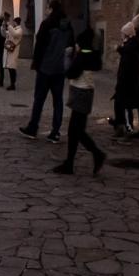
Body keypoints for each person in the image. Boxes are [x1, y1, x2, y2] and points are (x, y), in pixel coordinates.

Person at [56, 26, 107, 176]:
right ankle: (70, 163)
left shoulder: (82, 56)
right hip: (86, 93)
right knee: (75, 131)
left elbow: (70, 73)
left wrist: (68, 57)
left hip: (80, 94)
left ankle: (96, 154)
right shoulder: (91, 54)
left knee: (76, 131)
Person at [20, 1, 73, 143]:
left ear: (51, 9)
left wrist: (36, 64)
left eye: (47, 7)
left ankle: (33, 128)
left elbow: (39, 46)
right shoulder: (67, 25)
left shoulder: (47, 24)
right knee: (58, 101)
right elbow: (71, 45)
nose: (46, 10)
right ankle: (55, 132)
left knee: (39, 99)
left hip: (45, 67)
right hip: (59, 68)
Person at [112, 16, 139, 141]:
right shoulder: (138, 43)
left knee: (128, 105)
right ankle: (131, 129)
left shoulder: (135, 44)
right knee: (136, 105)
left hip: (131, 82)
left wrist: (121, 49)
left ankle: (128, 130)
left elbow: (129, 64)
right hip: (136, 80)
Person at [2, 16, 24, 90]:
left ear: (16, 22)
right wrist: (3, 27)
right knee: (10, 68)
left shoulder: (20, 30)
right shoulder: (13, 29)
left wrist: (9, 25)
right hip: (10, 50)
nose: (13, 23)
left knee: (12, 68)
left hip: (14, 51)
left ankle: (13, 84)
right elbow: (4, 34)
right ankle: (12, 84)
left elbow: (15, 34)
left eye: (14, 22)